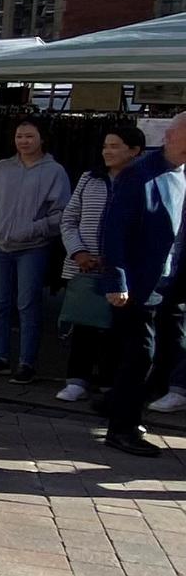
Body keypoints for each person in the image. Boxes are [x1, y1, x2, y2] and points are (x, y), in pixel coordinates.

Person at [98, 113, 186, 457]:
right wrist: (116, 279)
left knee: (172, 355)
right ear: (171, 136)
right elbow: (115, 230)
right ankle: (122, 428)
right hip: (139, 284)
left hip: (175, 285)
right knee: (141, 356)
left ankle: (118, 404)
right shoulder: (140, 174)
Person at [0, 116, 71, 384]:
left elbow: (62, 213)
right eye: (19, 136)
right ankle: (0, 357)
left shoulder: (54, 171)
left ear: (42, 139)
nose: (24, 141)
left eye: (29, 136)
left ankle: (27, 362)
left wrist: (35, 229)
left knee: (28, 305)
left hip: (33, 247)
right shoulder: (2, 168)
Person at [57, 126, 144, 403]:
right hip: (85, 266)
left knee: (118, 327)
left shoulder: (142, 181)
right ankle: (77, 380)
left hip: (123, 269)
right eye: (106, 145)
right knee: (85, 324)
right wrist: (79, 252)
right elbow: (69, 219)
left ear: (134, 151)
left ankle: (109, 381)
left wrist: (120, 257)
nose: (108, 151)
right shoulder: (89, 179)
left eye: (115, 146)